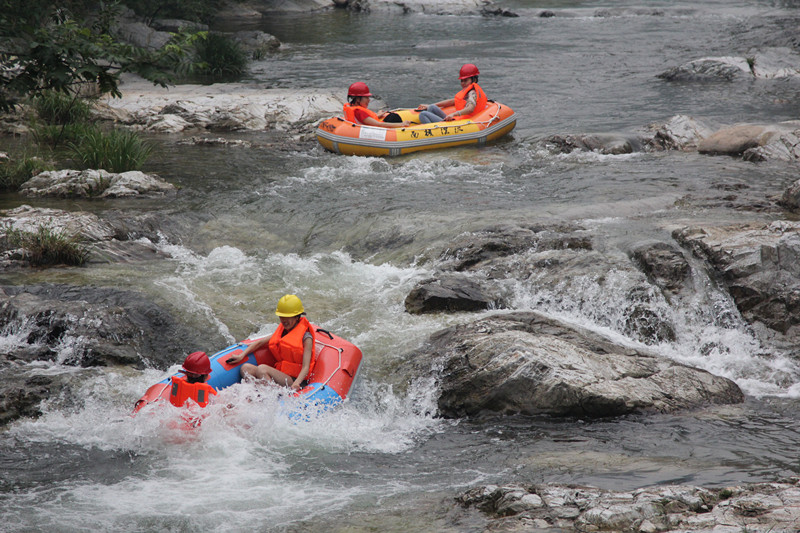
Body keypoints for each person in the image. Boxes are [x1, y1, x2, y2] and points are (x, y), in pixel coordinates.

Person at [226, 294, 316, 391]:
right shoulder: (283, 332)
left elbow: (306, 367)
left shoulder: (306, 338)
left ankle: (272, 397)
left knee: (262, 369)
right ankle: (256, 394)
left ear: (297, 317)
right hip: (281, 374)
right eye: (281, 317)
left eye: (287, 317)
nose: (284, 320)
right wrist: (241, 355)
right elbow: (260, 343)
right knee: (246, 368)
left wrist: (296, 383)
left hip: (296, 380)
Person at [416, 63, 489, 124]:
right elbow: (452, 101)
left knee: (423, 114)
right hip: (457, 120)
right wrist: (429, 106)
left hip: (461, 123)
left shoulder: (472, 94)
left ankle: (432, 134)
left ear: (474, 80)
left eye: (465, 80)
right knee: (432, 107)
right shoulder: (469, 92)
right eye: (462, 81)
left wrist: (454, 114)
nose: (463, 83)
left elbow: (470, 109)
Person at [343, 82, 410, 128]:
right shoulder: (359, 112)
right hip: (377, 131)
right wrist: (402, 124)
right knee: (394, 117)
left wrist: (377, 115)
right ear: (357, 99)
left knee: (392, 116)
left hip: (364, 128)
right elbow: (378, 124)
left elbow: (364, 120)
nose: (369, 100)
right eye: (366, 97)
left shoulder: (352, 107)